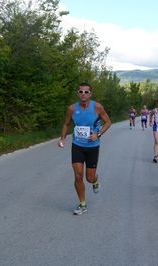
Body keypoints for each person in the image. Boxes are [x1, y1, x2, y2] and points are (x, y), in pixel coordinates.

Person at [58, 82, 111, 215]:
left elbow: (108, 122)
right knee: (78, 176)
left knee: (89, 178)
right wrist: (62, 138)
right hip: (77, 146)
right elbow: (66, 124)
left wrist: (98, 134)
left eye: (86, 92)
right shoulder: (71, 108)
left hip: (93, 147)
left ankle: (95, 180)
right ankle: (82, 204)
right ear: (78, 93)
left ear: (90, 94)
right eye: (81, 91)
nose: (83, 94)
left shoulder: (97, 107)